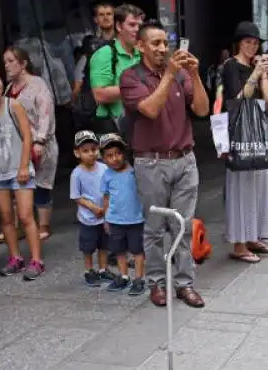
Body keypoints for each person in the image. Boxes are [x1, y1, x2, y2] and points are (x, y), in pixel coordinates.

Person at [119, 19, 208, 307]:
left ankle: (184, 284)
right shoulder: (131, 77)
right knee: (155, 228)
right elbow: (150, 109)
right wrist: (170, 75)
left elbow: (203, 109)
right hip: (150, 162)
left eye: (164, 43)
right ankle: (156, 282)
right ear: (140, 46)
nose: (162, 48)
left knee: (182, 226)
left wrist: (193, 75)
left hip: (184, 160)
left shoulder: (181, 75)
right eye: (155, 43)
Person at [0, 66, 44, 280]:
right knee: (5, 217)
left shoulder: (12, 105)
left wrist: (24, 166)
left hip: (19, 168)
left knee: (25, 216)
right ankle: (15, 258)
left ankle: (36, 260)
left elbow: (26, 137)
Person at [219, 22, 268, 264]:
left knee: (259, 185)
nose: (252, 46)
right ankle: (239, 244)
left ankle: (253, 236)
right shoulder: (231, 66)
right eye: (247, 42)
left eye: (255, 43)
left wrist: (263, 74)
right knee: (240, 187)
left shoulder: (255, 66)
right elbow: (236, 99)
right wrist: (254, 74)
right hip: (239, 132)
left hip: (257, 132)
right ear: (238, 43)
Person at [1, 47, 60, 242]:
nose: (7, 66)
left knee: (42, 184)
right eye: (5, 62)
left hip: (39, 142)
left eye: (11, 61)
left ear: (23, 63)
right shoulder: (9, 88)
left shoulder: (37, 85)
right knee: (18, 185)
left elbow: (46, 113)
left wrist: (40, 140)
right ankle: (19, 226)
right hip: (18, 144)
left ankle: (43, 226)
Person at [99, 133, 145, 295]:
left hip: (136, 219)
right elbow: (106, 197)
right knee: (119, 250)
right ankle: (124, 276)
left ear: (124, 153)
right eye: (109, 156)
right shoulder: (106, 175)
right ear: (103, 159)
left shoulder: (134, 172)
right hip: (115, 220)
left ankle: (139, 279)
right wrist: (106, 218)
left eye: (118, 153)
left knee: (138, 250)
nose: (115, 159)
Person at [89, 4, 144, 136]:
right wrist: (141, 88)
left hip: (142, 126)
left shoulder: (143, 53)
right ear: (119, 26)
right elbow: (99, 94)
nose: (137, 29)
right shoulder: (104, 54)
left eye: (139, 26)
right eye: (131, 25)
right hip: (115, 129)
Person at [70, 130, 114, 286]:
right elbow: (76, 196)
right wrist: (92, 207)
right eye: (85, 151)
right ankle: (89, 270)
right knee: (88, 247)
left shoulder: (103, 168)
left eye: (94, 149)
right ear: (77, 153)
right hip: (88, 218)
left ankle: (103, 269)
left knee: (104, 245)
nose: (91, 154)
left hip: (104, 216)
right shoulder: (77, 174)